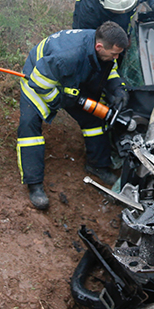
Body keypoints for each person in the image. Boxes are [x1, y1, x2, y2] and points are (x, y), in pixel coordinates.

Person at [16, 22, 130, 210]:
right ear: (99, 47)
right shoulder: (68, 55)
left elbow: (110, 68)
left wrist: (117, 88)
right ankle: (34, 185)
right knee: (30, 128)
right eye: (114, 54)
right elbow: (39, 82)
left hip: (70, 77)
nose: (117, 58)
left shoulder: (103, 45)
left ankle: (97, 165)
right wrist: (58, 100)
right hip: (39, 77)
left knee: (94, 119)